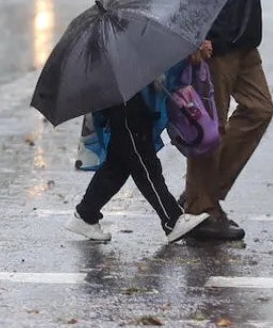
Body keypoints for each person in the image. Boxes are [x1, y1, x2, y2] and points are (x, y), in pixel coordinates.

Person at [165, 0, 273, 241]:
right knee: (211, 128)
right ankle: (201, 210)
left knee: (260, 109)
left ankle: (201, 196)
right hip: (213, 40)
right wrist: (193, 35)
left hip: (242, 36)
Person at [66, 50, 212, 244]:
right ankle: (172, 219)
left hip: (130, 96)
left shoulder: (120, 33)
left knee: (117, 166)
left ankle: (85, 214)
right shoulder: (114, 37)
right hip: (124, 102)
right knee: (145, 162)